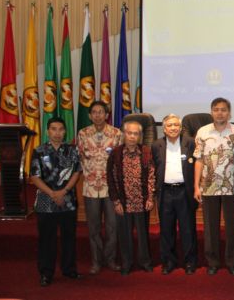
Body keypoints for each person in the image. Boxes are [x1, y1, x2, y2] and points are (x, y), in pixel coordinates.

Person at [194, 97, 234, 276]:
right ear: (211, 112)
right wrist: (196, 186)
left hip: (232, 187)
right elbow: (199, 160)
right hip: (208, 187)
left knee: (232, 226)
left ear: (229, 113)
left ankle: (231, 261)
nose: (220, 113)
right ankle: (213, 261)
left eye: (223, 110)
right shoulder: (202, 132)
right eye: (216, 110)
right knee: (210, 227)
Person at [31, 117, 82, 286]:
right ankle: (46, 273)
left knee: (69, 238)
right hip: (46, 201)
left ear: (65, 131)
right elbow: (35, 176)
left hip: (68, 200)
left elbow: (76, 173)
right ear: (48, 131)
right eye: (53, 129)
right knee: (47, 239)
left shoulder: (72, 150)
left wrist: (63, 192)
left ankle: (69, 269)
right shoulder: (39, 151)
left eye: (60, 129)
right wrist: (53, 193)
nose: (57, 133)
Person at [76, 101, 122, 274]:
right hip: (90, 188)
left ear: (107, 115)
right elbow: (81, 158)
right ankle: (96, 261)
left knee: (112, 227)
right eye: (94, 112)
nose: (97, 115)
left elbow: (119, 160)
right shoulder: (83, 134)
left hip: (111, 188)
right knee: (93, 227)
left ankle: (110, 259)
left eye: (101, 112)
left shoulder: (116, 134)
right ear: (90, 115)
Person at [107, 120, 155, 276]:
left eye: (136, 134)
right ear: (124, 134)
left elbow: (151, 176)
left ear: (140, 136)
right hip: (123, 202)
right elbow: (111, 178)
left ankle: (145, 262)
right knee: (124, 235)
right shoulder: (116, 153)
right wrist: (116, 201)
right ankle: (126, 263)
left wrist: (150, 198)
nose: (132, 136)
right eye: (129, 133)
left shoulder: (146, 151)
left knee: (143, 236)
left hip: (142, 202)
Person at [153, 114, 198, 275]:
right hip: (165, 192)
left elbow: (198, 165)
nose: (173, 128)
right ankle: (168, 261)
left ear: (181, 128)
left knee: (188, 229)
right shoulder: (156, 145)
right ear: (164, 129)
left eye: (176, 125)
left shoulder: (190, 143)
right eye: (169, 125)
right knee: (166, 229)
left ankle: (190, 262)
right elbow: (154, 169)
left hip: (184, 191)